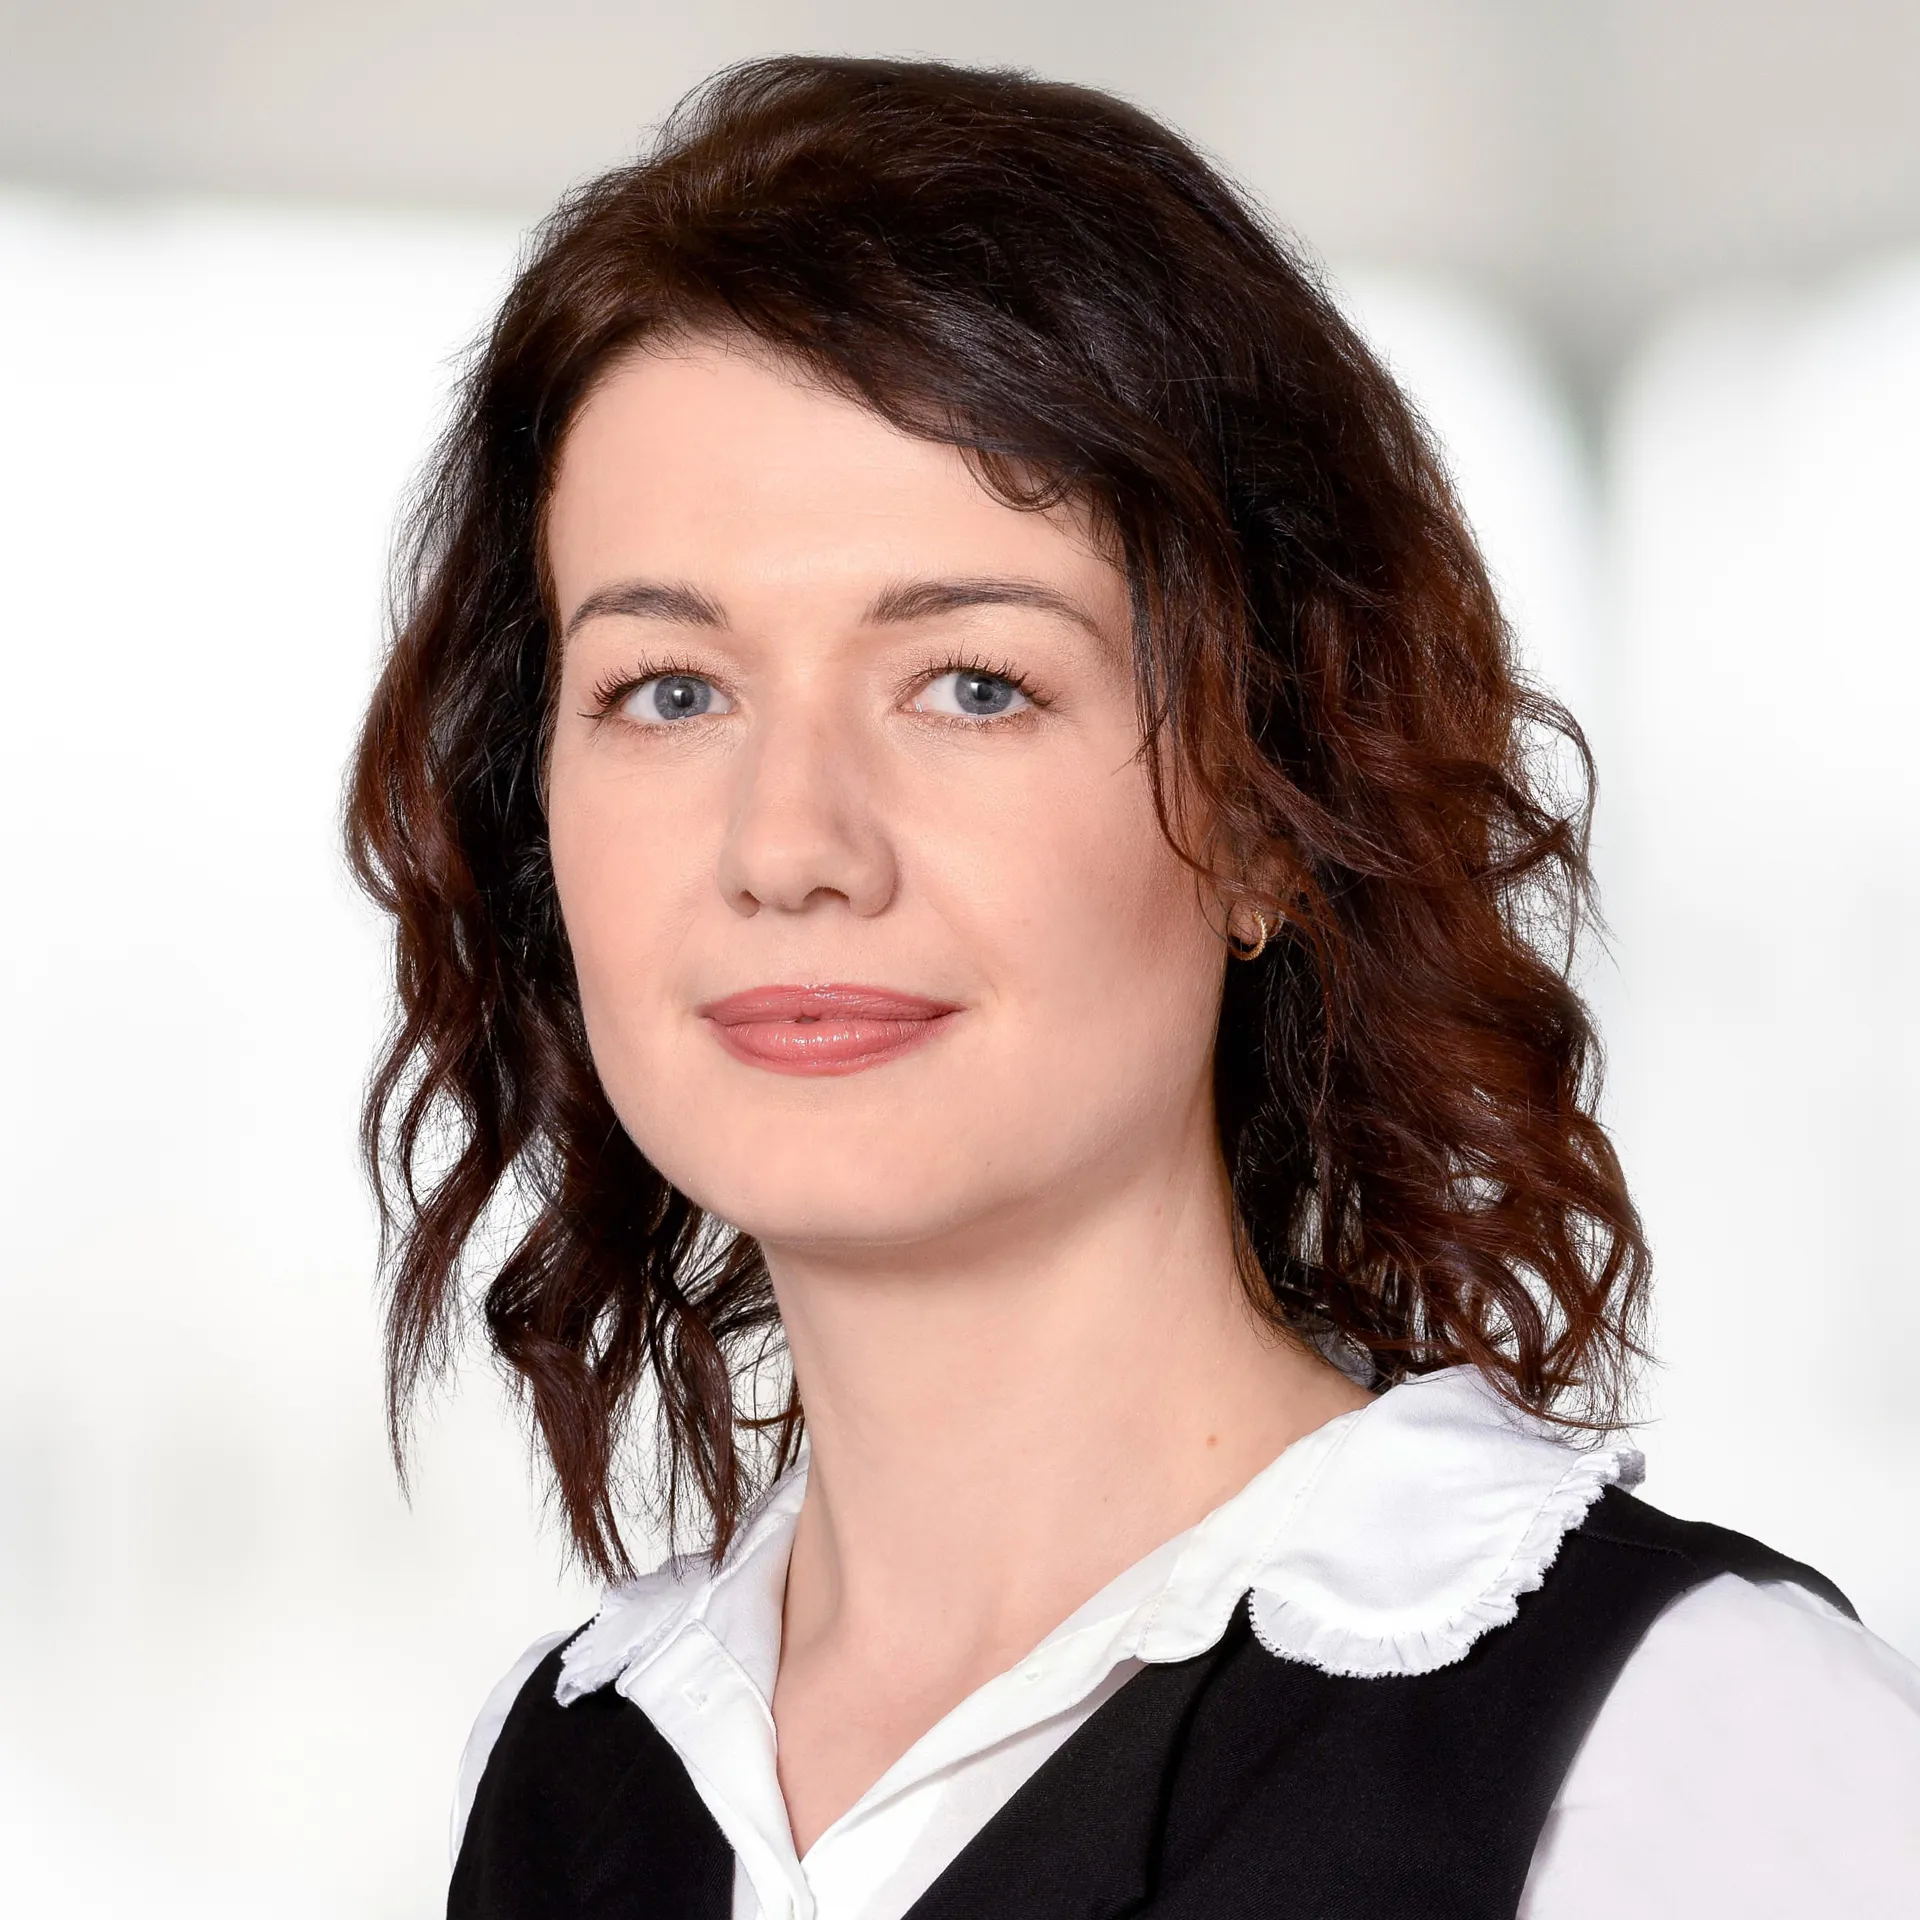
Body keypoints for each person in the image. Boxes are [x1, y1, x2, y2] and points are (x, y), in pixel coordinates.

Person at [344, 55, 1920, 1920]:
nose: (792, 843)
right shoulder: (571, 1786)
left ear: (1268, 813)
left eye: (974, 683)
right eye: (670, 692)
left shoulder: (1686, 1750)